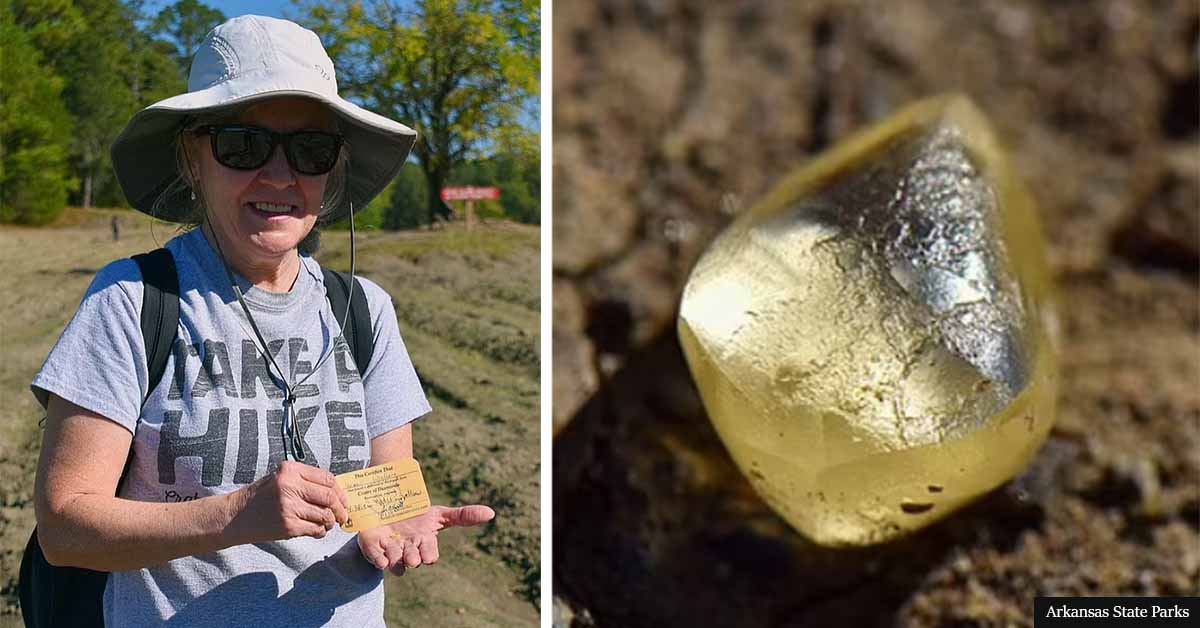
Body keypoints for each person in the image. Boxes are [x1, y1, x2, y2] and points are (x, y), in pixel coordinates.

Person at [30, 15, 493, 627]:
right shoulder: (134, 299)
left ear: (332, 170)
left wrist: (391, 521)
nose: (279, 176)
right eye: (242, 145)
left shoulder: (364, 310)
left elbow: (386, 488)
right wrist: (234, 515)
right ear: (193, 156)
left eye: (310, 150)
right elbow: (65, 525)